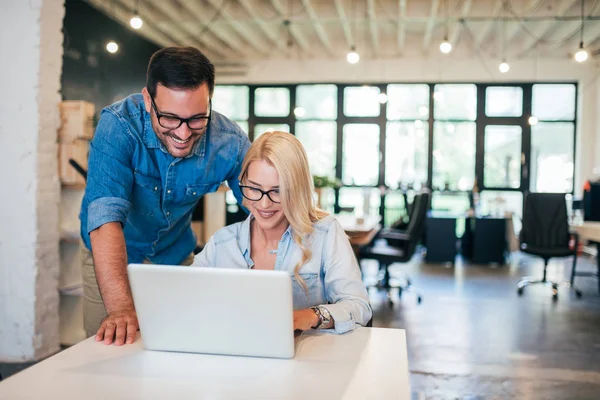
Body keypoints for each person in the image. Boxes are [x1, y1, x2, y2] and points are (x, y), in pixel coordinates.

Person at [80, 46, 251, 345]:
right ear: (148, 99)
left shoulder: (229, 142)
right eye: (170, 118)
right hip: (111, 259)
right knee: (109, 357)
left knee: (180, 349)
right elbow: (105, 217)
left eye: (197, 119)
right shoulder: (118, 126)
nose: (184, 134)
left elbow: (262, 208)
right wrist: (120, 308)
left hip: (175, 259)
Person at [192, 131, 372, 333]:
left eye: (277, 191)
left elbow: (359, 307)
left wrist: (312, 316)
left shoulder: (325, 234)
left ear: (297, 189)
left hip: (307, 359)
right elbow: (184, 297)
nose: (264, 203)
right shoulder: (221, 244)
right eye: (254, 188)